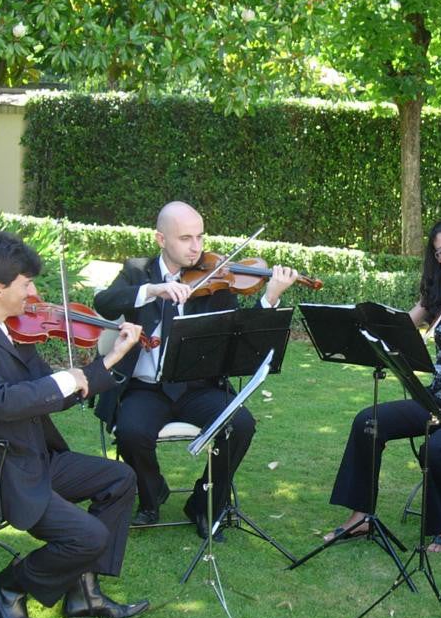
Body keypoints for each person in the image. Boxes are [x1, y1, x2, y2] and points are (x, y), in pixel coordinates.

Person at [0, 231, 149, 618]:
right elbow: (2, 403)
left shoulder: (9, 326)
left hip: (28, 454)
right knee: (89, 536)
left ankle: (84, 594)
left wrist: (110, 359)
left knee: (120, 480)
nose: (35, 292)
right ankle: (8, 587)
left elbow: (47, 393)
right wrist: (65, 380)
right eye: (27, 283)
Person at [93, 201, 302, 535]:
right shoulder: (137, 271)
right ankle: (151, 494)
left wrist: (271, 298)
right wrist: (153, 290)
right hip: (147, 388)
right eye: (186, 238)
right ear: (161, 239)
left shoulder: (217, 278)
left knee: (241, 425)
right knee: (131, 433)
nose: (197, 247)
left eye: (200, 237)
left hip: (198, 388)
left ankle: (205, 503)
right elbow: (104, 302)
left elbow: (243, 337)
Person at [324, 215, 441, 552]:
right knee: (368, 421)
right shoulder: (437, 294)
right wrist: (368, 329)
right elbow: (402, 328)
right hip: (438, 400)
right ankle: (361, 515)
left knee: (437, 449)